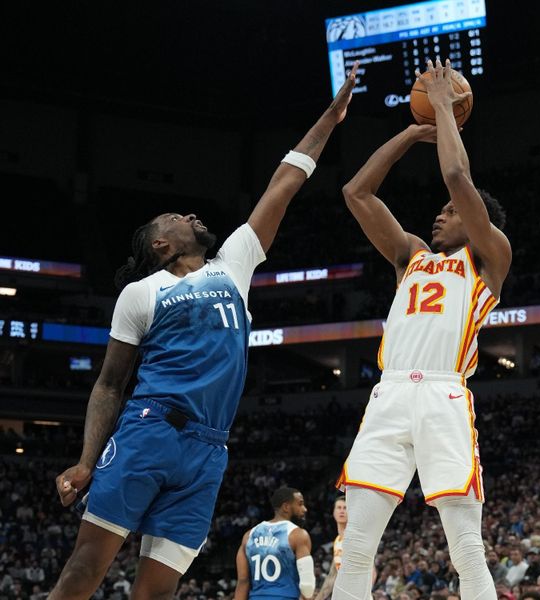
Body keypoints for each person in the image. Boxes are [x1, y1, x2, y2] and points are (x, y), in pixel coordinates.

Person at [47, 63, 361, 599]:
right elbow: (108, 385)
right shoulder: (141, 294)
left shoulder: (231, 264)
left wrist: (331, 118)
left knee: (157, 593)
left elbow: (284, 184)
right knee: (84, 570)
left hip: (208, 451)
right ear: (161, 247)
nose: (189, 215)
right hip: (149, 432)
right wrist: (84, 459)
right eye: (174, 217)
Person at [332, 58, 512, 600]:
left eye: (450, 214)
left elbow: (457, 178)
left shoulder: (488, 257)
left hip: (443, 394)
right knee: (358, 546)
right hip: (388, 394)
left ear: (478, 218)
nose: (440, 216)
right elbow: (355, 194)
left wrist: (442, 109)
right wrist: (411, 134)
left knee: (465, 547)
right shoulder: (410, 255)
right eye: (439, 212)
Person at [234, 487, 314, 600]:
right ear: (286, 507)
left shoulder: (249, 535)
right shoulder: (298, 535)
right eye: (300, 504)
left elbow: (243, 581)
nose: (304, 509)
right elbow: (307, 585)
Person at [315, 496, 349, 600]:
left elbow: (372, 572)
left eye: (345, 508)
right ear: (333, 512)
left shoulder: (355, 538)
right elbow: (332, 577)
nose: (342, 511)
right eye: (339, 507)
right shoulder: (338, 541)